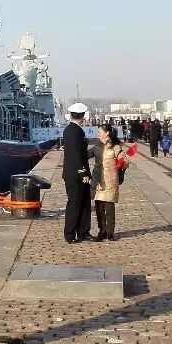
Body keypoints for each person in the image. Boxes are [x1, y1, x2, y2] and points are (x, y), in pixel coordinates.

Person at [61, 103, 95, 244]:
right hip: (76, 174)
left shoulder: (70, 129)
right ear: (83, 116)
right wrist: (83, 174)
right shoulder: (76, 131)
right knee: (75, 204)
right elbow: (76, 155)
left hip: (74, 172)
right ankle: (70, 234)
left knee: (84, 203)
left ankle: (83, 231)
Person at [93, 123, 127, 241]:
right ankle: (102, 231)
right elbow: (86, 154)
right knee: (99, 206)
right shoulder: (97, 146)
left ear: (107, 133)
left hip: (110, 180)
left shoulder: (115, 146)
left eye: (100, 132)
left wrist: (122, 161)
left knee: (109, 207)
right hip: (98, 180)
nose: (98, 134)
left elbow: (124, 160)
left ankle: (110, 232)